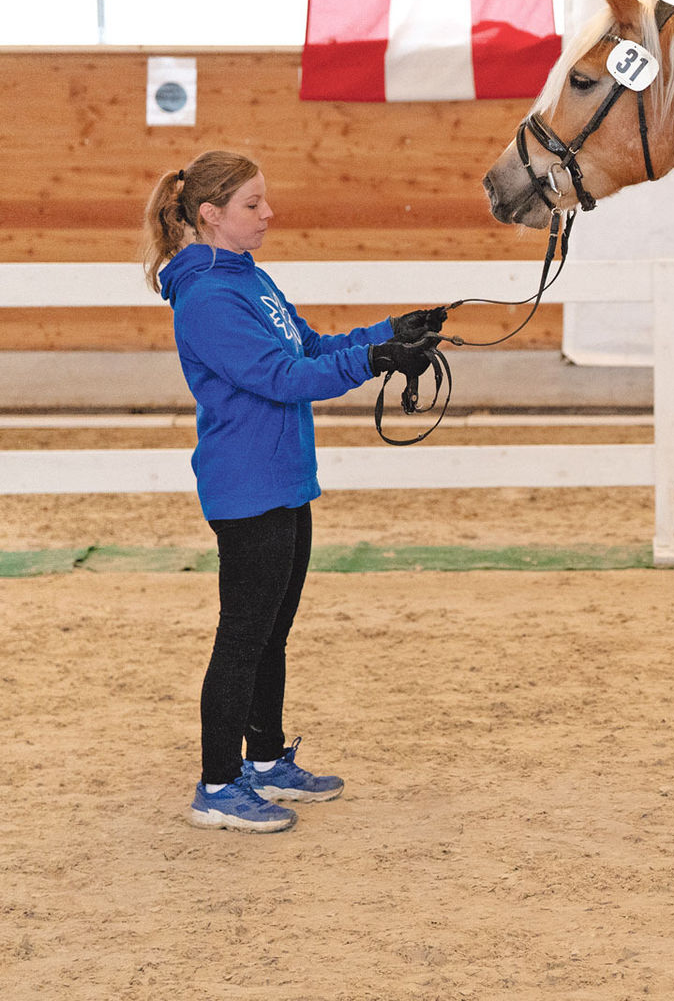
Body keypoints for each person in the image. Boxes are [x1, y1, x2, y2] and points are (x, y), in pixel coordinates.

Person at [142, 150, 446, 833]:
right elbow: (282, 378)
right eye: (252, 205)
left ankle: (265, 760)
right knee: (242, 637)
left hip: (283, 479)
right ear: (211, 215)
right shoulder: (208, 298)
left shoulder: (249, 279)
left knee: (270, 633)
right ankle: (217, 784)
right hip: (247, 488)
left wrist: (389, 333)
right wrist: (375, 362)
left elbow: (307, 348)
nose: (268, 214)